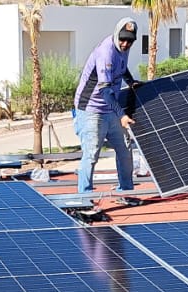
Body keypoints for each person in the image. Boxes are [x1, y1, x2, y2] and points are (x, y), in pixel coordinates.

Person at [73, 17, 140, 200]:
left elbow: (122, 68)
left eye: (130, 40)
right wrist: (122, 115)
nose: (125, 44)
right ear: (116, 34)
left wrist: (131, 81)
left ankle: (126, 192)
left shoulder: (123, 49)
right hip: (91, 109)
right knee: (92, 154)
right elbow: (105, 91)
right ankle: (84, 197)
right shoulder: (105, 52)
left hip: (111, 108)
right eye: (122, 39)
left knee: (125, 151)